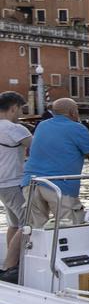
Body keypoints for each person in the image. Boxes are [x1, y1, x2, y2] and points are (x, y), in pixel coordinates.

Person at [21, 98, 89, 228]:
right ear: (73, 112)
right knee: (69, 227)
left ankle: (38, 249)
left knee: (35, 229)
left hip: (31, 182)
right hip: (59, 184)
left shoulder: (42, 126)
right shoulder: (77, 128)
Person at [0, 92, 32, 276]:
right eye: (21, 109)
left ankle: (12, 260)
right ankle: (9, 266)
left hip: (2, 184)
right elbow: (38, 146)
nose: (20, 113)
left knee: (13, 223)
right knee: (27, 223)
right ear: (14, 107)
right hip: (13, 181)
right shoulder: (15, 129)